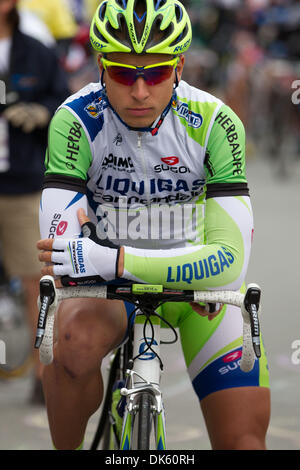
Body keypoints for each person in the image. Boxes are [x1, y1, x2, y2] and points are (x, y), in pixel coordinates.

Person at [37, 0, 270, 450]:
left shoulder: (216, 123)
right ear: (101, 65)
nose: (140, 91)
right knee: (72, 341)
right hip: (113, 292)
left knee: (244, 443)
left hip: (197, 294)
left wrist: (111, 257)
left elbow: (228, 263)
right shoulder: (75, 120)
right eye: (123, 73)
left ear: (180, 65)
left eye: (157, 73)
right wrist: (96, 260)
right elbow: (63, 257)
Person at [0, 0, 70, 401]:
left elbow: (62, 101)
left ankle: (44, 374)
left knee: (36, 277)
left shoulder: (36, 48)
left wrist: (40, 112)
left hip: (21, 182)